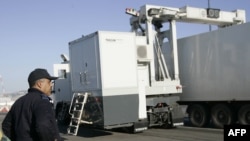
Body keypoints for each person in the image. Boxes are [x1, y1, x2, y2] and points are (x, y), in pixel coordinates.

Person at [1, 68, 62, 141]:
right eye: (49, 82)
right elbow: (43, 125)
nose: (51, 85)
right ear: (40, 84)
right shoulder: (42, 101)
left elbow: (6, 126)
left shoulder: (19, 101)